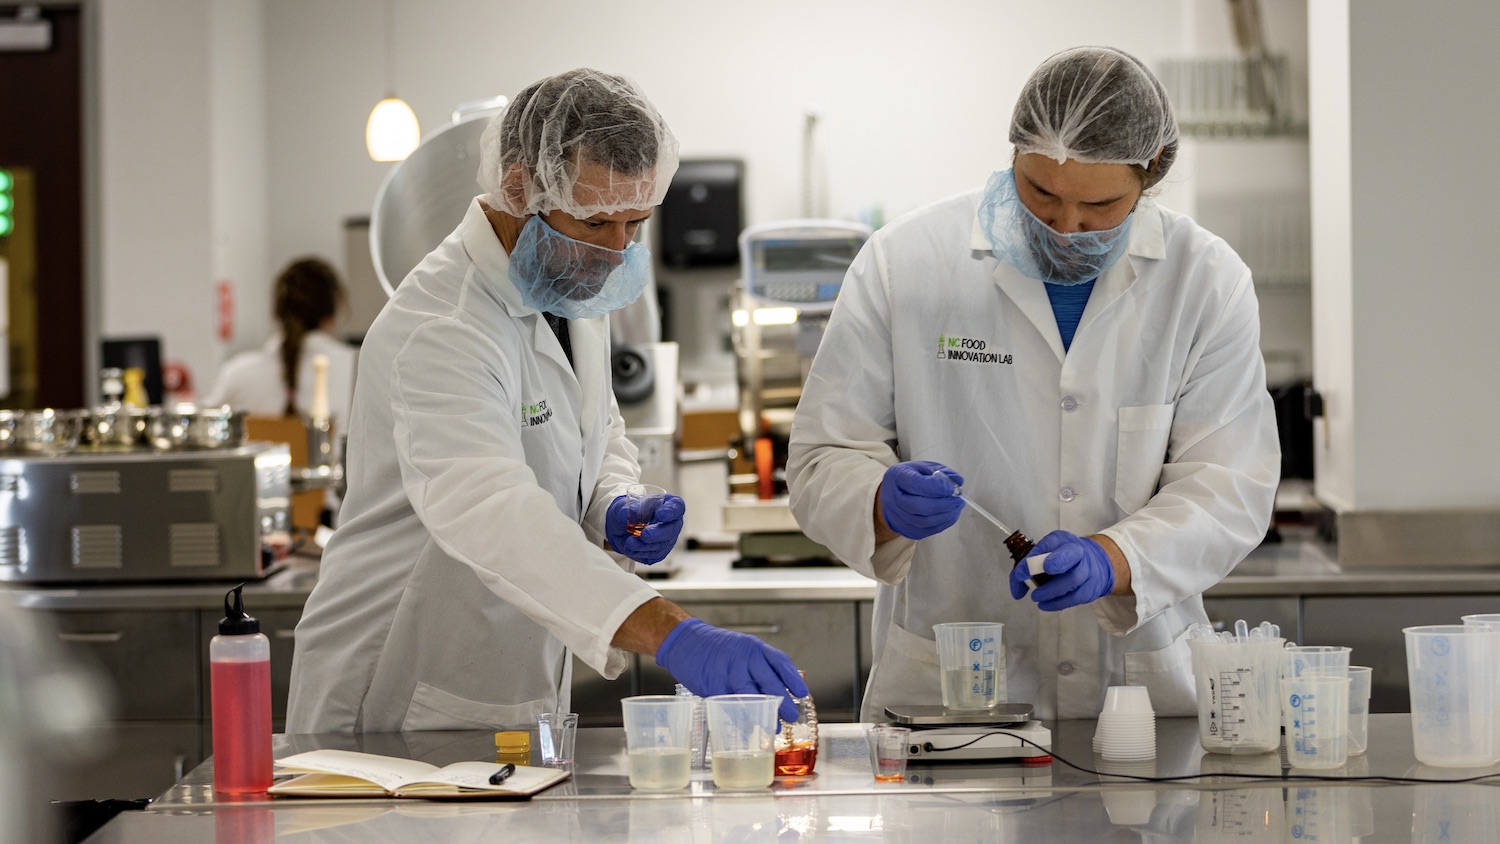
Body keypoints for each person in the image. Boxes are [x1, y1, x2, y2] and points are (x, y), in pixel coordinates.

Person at [287, 69, 806, 733]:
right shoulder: (441, 326)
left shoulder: (571, 284)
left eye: (635, 223)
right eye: (597, 221)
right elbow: (492, 510)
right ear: (518, 187)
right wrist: (671, 632)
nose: (618, 252)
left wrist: (614, 499)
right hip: (395, 691)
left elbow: (598, 426)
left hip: (508, 680)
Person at [786, 47, 1280, 722]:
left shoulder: (1204, 280)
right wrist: (878, 500)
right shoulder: (907, 262)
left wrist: (1115, 558)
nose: (1066, 226)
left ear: (1152, 172)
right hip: (950, 693)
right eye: (1041, 193)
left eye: (1101, 204)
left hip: (1138, 695)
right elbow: (821, 457)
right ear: (1014, 152)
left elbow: (1230, 483)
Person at [202, 257, 356, 436]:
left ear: (277, 313)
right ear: (331, 317)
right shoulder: (356, 369)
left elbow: (203, 429)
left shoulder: (237, 374)